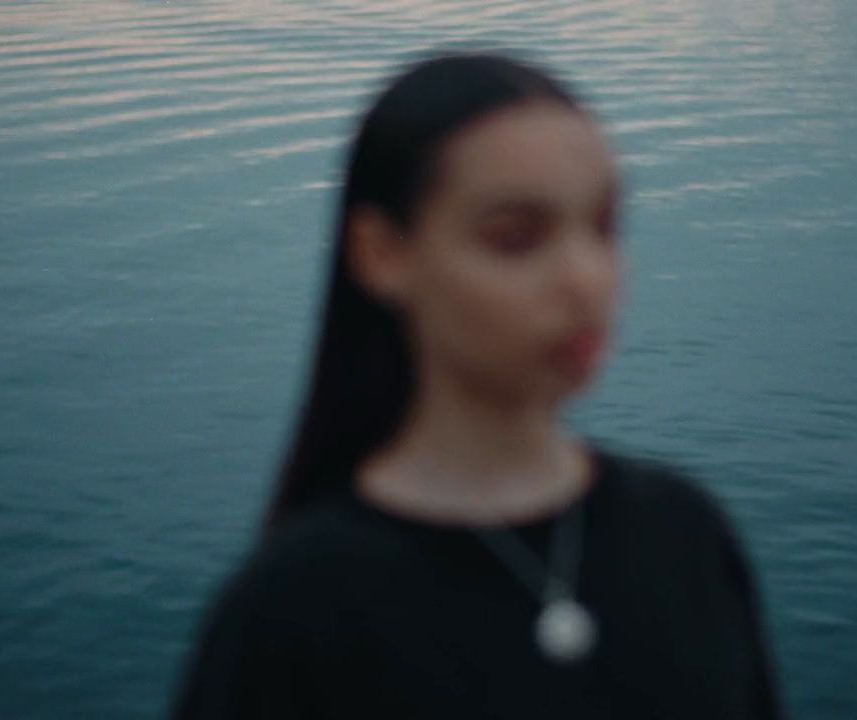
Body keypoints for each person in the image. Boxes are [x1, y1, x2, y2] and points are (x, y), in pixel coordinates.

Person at [168, 48, 786, 719]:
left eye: (603, 226)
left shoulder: (686, 535)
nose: (586, 279)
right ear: (383, 254)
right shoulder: (293, 613)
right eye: (516, 237)